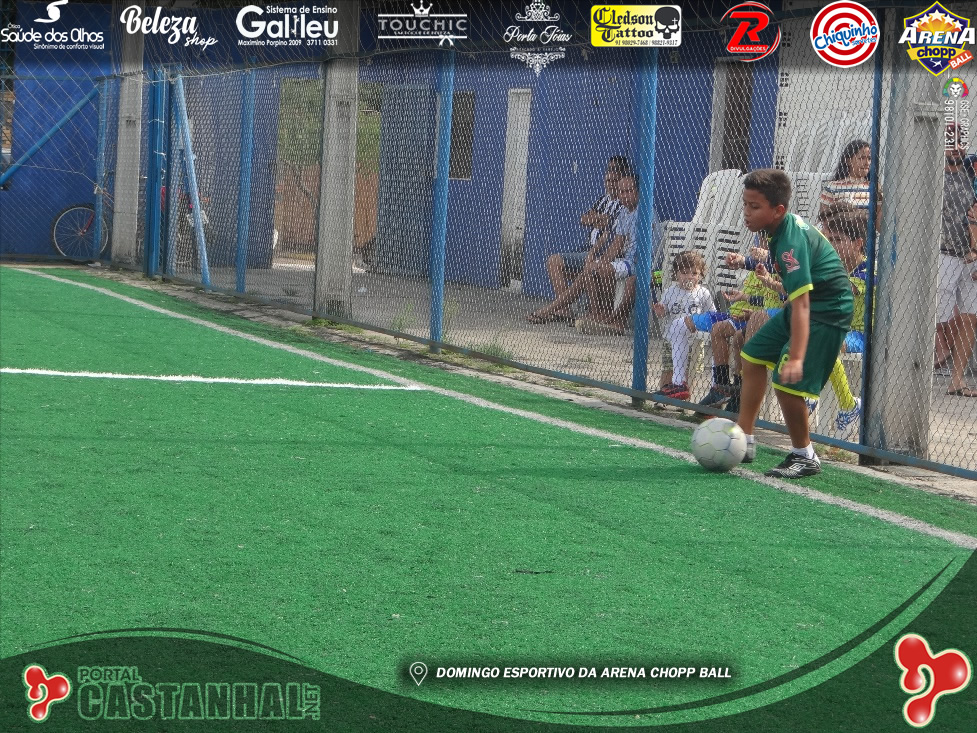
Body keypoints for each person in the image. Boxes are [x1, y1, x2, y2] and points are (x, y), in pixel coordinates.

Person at [736, 169, 854, 478]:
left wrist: (797, 358)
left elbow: (802, 304)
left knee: (786, 382)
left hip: (827, 312)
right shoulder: (777, 230)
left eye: (755, 206)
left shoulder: (789, 242)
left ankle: (805, 456)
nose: (747, 212)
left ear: (778, 210)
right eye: (745, 204)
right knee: (752, 356)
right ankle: (742, 439)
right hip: (807, 306)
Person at [527, 157, 630, 324]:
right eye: (607, 180)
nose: (610, 184)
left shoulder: (623, 204)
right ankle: (564, 310)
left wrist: (599, 219)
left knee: (555, 261)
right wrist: (598, 219)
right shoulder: (603, 200)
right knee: (557, 266)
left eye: (613, 180)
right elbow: (584, 219)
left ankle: (560, 310)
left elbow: (608, 226)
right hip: (588, 248)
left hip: (602, 252)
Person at [697, 241, 784, 411]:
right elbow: (767, 296)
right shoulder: (764, 267)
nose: (759, 245)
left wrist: (760, 262)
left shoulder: (790, 264)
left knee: (745, 334)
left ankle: (744, 393)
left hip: (774, 319)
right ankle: (723, 387)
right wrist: (745, 294)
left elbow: (786, 296)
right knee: (723, 331)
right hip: (755, 313)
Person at [818, 204, 870, 436]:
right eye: (830, 240)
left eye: (838, 240)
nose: (832, 245)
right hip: (835, 328)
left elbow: (842, 290)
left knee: (827, 338)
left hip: (861, 334)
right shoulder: (834, 267)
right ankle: (807, 391)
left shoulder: (868, 269)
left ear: (858, 243)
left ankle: (848, 405)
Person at [935, 123, 977, 397]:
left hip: (971, 256)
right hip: (943, 253)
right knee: (938, 315)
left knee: (970, 316)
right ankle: (936, 353)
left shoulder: (971, 173)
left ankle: (957, 379)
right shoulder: (932, 175)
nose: (956, 148)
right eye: (951, 142)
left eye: (960, 142)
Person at [573, 173, 640, 333]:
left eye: (629, 191)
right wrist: (601, 261)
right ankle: (597, 314)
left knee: (605, 270)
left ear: (638, 192)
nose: (624, 196)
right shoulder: (624, 213)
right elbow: (617, 244)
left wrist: (604, 265)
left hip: (640, 263)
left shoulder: (644, 212)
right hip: (626, 261)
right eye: (621, 192)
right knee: (591, 268)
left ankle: (608, 313)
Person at [651, 250, 716, 401]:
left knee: (690, 371)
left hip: (695, 340)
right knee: (669, 368)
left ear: (700, 275)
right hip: (671, 339)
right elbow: (663, 312)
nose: (689, 277)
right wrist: (660, 311)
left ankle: (684, 400)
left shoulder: (703, 293)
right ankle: (664, 398)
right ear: (676, 274)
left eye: (694, 273)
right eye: (684, 273)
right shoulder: (670, 292)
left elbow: (712, 314)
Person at [818, 139, 882, 231]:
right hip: (840, 236)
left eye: (869, 158)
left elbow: (879, 224)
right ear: (848, 161)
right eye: (862, 158)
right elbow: (823, 219)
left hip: (866, 237)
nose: (867, 163)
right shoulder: (832, 187)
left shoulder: (874, 188)